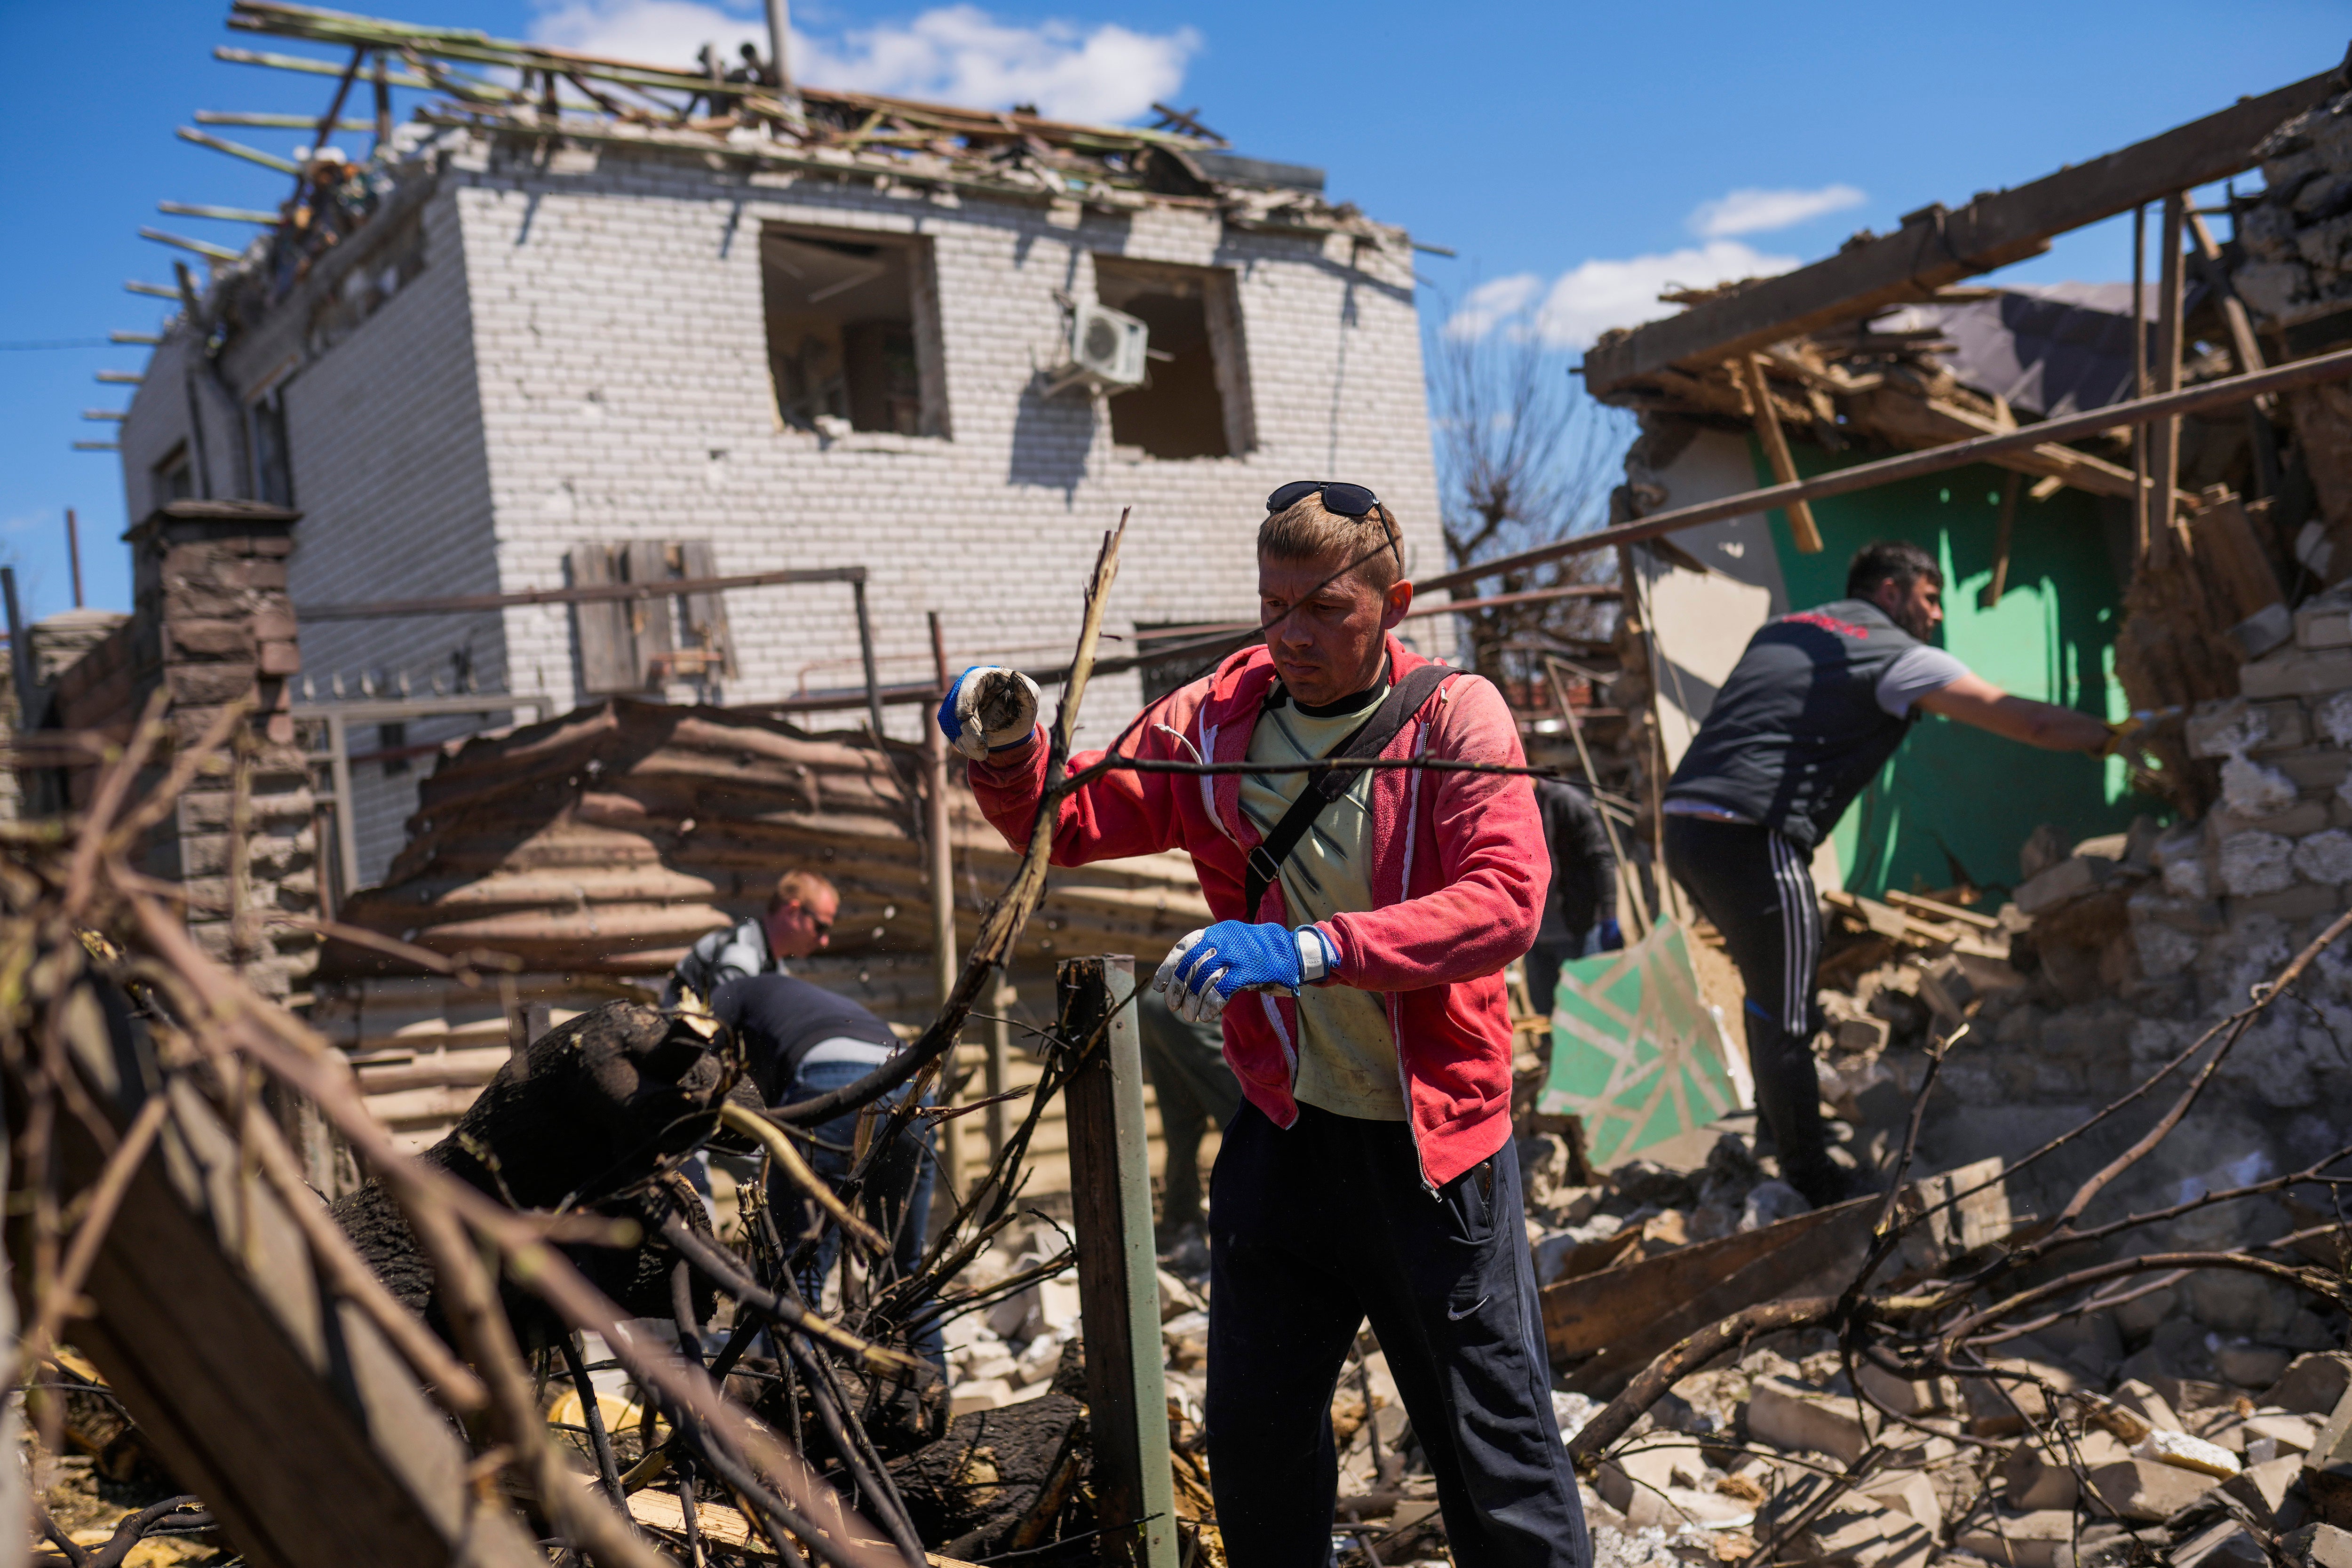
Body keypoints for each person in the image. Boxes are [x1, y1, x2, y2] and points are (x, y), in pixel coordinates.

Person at [938, 482, 1585, 1568]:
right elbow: (1079, 817)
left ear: (1393, 602)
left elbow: (1505, 901)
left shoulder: (1452, 717)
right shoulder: (1215, 720)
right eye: (1272, 605)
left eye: (1324, 609)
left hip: (1432, 1153)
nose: (1291, 635)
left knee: (1491, 1452)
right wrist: (1009, 750)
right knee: (1257, 1443)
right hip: (1286, 1136)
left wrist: (1314, 949)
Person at [1662, 539, 2121, 1207]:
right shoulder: (1894, 654)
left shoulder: (1789, 628)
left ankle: (1776, 1130)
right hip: (1753, 833)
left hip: (1686, 825)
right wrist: (2111, 737)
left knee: (1771, 992)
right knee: (1788, 1010)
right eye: (1929, 598)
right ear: (1889, 592)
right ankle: (1815, 1182)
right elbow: (2029, 721)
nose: (1935, 615)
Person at [711, 972, 942, 1369]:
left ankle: (797, 1407)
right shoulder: (812, 1004)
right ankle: (933, 1395)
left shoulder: (730, 991)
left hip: (833, 1085)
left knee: (795, 1269)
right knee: (905, 1268)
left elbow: (704, 1058)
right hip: (909, 1088)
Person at [1134, 982, 1242, 1242]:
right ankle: (1247, 1226)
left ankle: (1179, 1220)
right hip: (1190, 1009)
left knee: (1182, 1120)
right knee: (1247, 1121)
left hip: (1158, 1001)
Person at [662, 869, 839, 1008]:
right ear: (792, 912)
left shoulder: (769, 959)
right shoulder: (741, 956)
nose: (825, 942)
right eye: (820, 927)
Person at [1526, 778, 1621, 1020]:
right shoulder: (1507, 806)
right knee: (1547, 1016)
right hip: (1534, 936)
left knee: (1588, 1013)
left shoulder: (1567, 803)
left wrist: (1609, 915)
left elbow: (1602, 859)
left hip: (1575, 928)